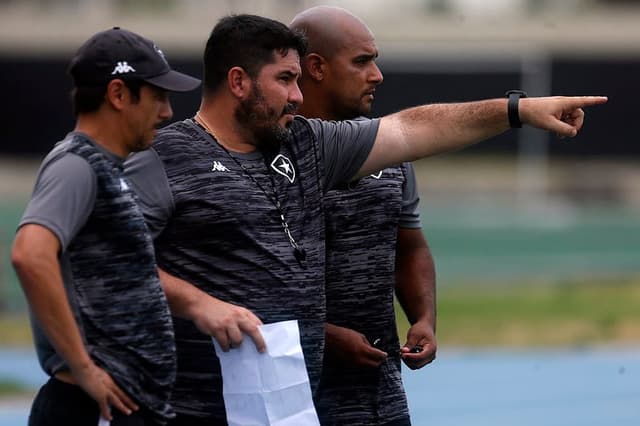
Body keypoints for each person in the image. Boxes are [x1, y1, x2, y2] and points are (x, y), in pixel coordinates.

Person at [123, 13, 606, 425]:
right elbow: (114, 259)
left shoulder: (305, 144)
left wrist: (517, 109)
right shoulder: (161, 158)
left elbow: (414, 127)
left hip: (293, 400)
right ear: (238, 82)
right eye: (285, 80)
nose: (297, 96)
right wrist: (201, 304)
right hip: (195, 403)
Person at [11, 27, 200, 426]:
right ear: (117, 94)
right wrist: (83, 368)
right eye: (158, 97)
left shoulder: (106, 167)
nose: (167, 112)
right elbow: (30, 255)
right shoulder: (77, 165)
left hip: (120, 405)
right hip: (90, 406)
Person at [290, 6, 436, 425]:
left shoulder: (391, 154)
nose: (377, 75)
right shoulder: (273, 156)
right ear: (316, 67)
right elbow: (246, 279)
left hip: (378, 386)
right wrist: (324, 336)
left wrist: (423, 319)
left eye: (375, 60)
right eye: (361, 61)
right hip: (294, 389)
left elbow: (409, 248)